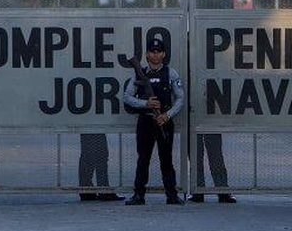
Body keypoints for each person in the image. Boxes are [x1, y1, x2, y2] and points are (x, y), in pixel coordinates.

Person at [123, 38, 185, 206]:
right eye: (152, 51)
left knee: (166, 159)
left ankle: (171, 195)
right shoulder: (139, 73)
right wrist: (145, 104)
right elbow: (127, 97)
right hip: (146, 122)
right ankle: (139, 195)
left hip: (163, 122)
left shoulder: (171, 73)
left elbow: (180, 98)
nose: (155, 54)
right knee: (143, 159)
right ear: (147, 54)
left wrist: (168, 115)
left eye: (158, 51)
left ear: (164, 54)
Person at [189, 133, 237, 203]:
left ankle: (222, 190)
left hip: (209, 124)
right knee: (196, 157)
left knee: (215, 157)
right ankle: (198, 190)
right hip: (196, 125)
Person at [78, 133, 124, 201]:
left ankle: (88, 190)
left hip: (90, 127)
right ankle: (99, 190)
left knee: (91, 154)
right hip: (94, 127)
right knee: (97, 154)